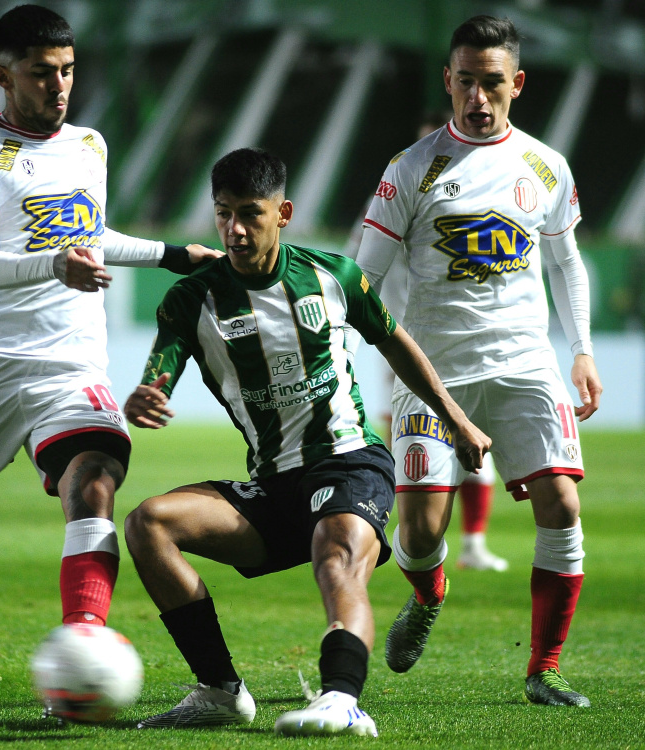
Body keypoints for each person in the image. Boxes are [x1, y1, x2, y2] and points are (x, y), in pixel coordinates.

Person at [0, 4, 220, 682]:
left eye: (67, 70)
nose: (58, 86)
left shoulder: (89, 145)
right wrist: (58, 264)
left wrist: (173, 254)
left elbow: (92, 234)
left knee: (95, 483)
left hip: (71, 360)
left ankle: (82, 645)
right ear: (4, 76)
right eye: (40, 73)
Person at [122, 147, 490, 736]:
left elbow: (395, 342)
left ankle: (342, 699)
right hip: (274, 486)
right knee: (149, 524)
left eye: (250, 213)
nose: (235, 230)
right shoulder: (192, 300)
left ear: (283, 213)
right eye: (223, 214)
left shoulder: (333, 276)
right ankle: (219, 691)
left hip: (349, 463)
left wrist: (456, 419)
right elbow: (158, 372)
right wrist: (147, 393)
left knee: (335, 555)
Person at [354, 15, 602, 707]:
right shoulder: (411, 168)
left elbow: (566, 263)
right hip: (434, 372)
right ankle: (428, 594)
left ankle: (544, 668)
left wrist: (581, 349)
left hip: (525, 362)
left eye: (492, 82)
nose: (477, 97)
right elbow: (365, 276)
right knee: (419, 532)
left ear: (516, 84)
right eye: (465, 81)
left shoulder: (545, 166)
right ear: (448, 80)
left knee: (562, 503)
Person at [347, 110, 508, 574]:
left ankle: (473, 542)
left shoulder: (478, 199)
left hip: (465, 338)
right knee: (400, 432)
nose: (434, 154)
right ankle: (392, 522)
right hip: (401, 337)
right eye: (425, 144)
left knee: (474, 429)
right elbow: (360, 264)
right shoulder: (393, 194)